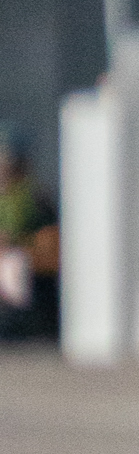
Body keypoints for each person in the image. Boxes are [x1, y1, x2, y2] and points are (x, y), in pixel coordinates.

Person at [0, 128, 60, 344]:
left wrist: (15, 246)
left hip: (34, 297)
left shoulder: (35, 199)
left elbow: (51, 250)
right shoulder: (6, 199)